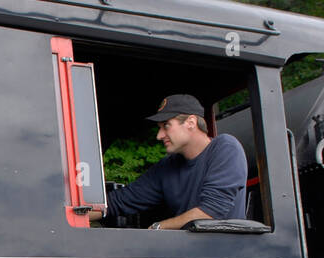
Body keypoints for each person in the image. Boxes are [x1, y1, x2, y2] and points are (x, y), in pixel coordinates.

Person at [89, 94, 247, 229]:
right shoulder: (167, 167)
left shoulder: (225, 148)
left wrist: (158, 227)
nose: (159, 135)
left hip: (224, 257)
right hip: (185, 254)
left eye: (166, 126)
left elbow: (211, 212)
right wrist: (74, 214)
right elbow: (118, 201)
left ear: (191, 123)